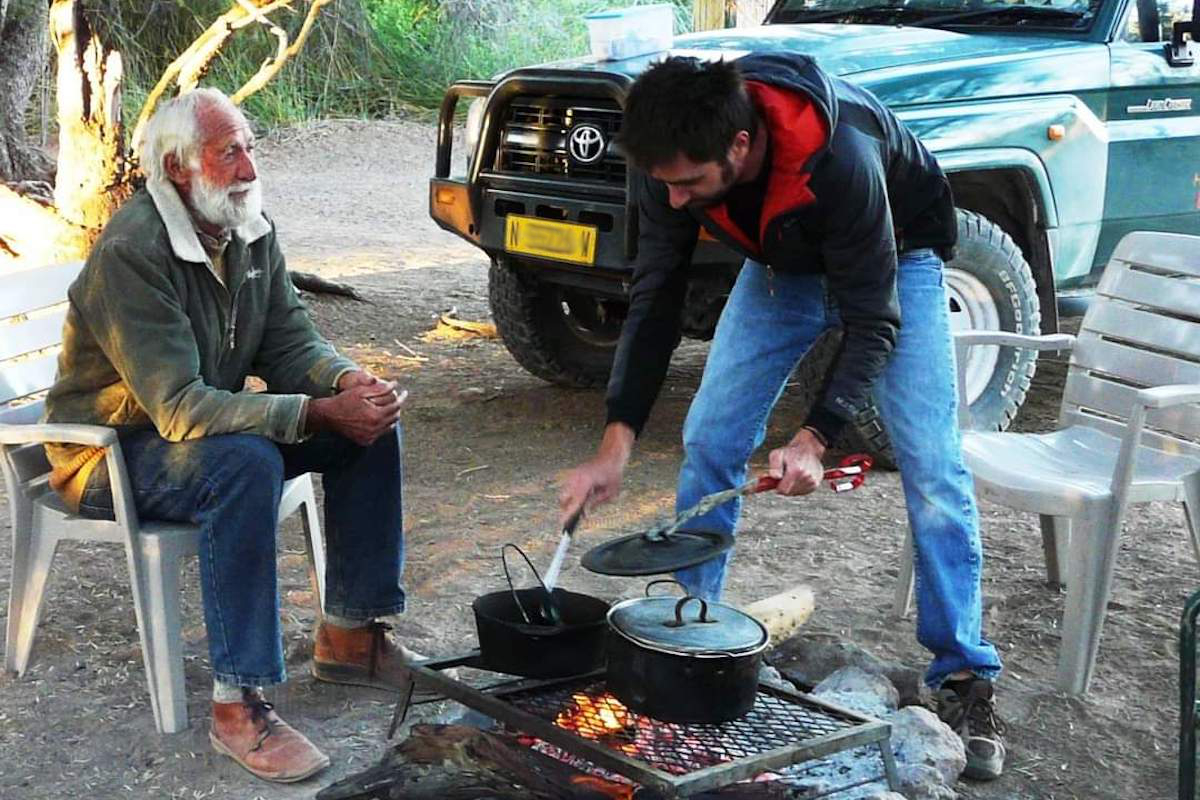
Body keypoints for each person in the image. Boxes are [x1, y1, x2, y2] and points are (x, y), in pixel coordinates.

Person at [559, 55, 1006, 781]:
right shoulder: (672, 147)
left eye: (687, 185)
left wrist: (815, 437)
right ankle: (691, 637)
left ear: (740, 146)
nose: (674, 202)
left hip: (899, 256)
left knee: (929, 460)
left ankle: (964, 674)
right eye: (664, 184)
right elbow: (656, 293)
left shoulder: (841, 157)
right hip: (782, 264)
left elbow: (873, 318)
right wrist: (615, 441)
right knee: (709, 438)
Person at [43, 88, 419, 784]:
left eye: (249, 146)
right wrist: (308, 414)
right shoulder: (134, 250)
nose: (248, 165)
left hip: (186, 435)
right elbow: (179, 408)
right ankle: (237, 705)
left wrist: (345, 385)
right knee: (244, 463)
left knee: (369, 427)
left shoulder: (248, 227)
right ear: (179, 168)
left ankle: (350, 635)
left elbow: (290, 342)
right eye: (229, 153)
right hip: (105, 454)